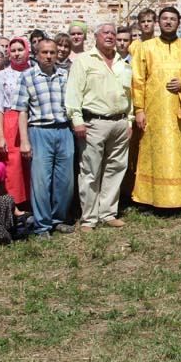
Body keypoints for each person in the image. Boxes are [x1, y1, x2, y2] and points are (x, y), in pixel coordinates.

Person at [132, 7, 181, 210]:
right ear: (158, 22)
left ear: (178, 23)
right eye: (165, 19)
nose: (168, 22)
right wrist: (139, 109)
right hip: (154, 112)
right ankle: (150, 199)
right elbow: (138, 80)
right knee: (153, 154)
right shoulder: (146, 47)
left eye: (173, 19)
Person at [66, 23, 132, 230]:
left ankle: (108, 212)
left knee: (116, 168)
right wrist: (76, 120)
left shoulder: (124, 62)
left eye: (113, 33)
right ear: (95, 36)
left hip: (120, 122)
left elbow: (130, 94)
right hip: (94, 122)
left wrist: (129, 120)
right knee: (90, 171)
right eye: (106, 33)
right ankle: (89, 218)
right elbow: (73, 92)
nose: (110, 36)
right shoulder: (84, 61)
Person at [15, 39, 75, 237]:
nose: (49, 56)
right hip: (39, 131)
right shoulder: (28, 76)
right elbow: (22, 110)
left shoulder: (64, 75)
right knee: (41, 181)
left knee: (65, 181)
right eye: (44, 53)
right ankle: (42, 225)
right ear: (37, 54)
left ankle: (58, 219)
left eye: (52, 52)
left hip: (64, 130)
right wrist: (24, 140)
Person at [0, 37, 31, 211]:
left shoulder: (35, 71)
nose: (16, 54)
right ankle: (15, 206)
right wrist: (1, 136)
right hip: (11, 121)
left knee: (32, 165)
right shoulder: (2, 75)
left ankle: (32, 203)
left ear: (27, 50)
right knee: (14, 167)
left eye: (20, 50)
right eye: (13, 50)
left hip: (33, 120)